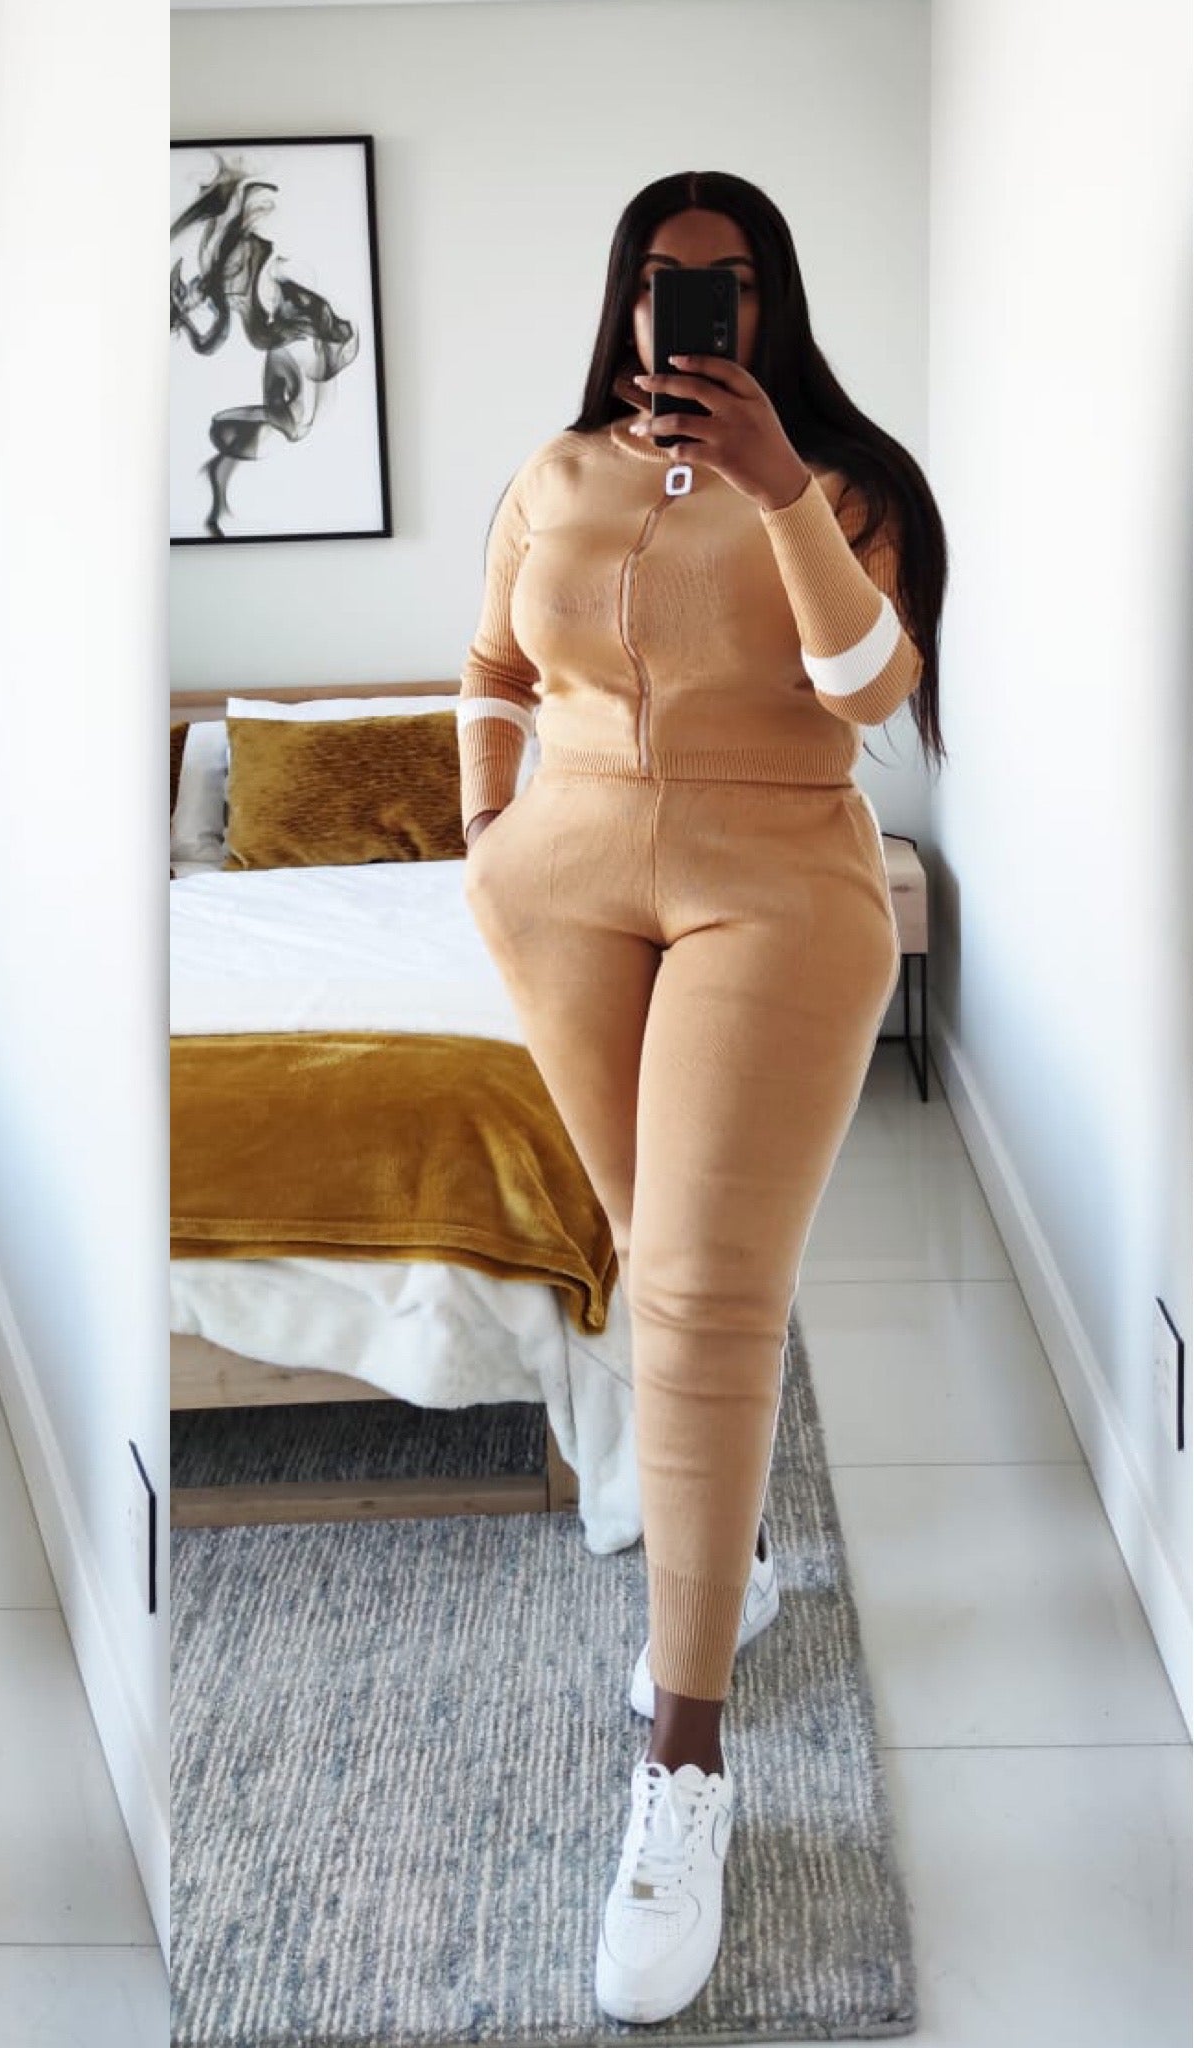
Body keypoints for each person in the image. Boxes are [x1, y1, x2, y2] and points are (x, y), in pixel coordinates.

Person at [458, 169, 947, 2026]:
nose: (691, 310)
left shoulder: (851, 486)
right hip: (561, 885)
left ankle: (684, 1760)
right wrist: (486, 825)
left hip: (776, 878)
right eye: (665, 283)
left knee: (706, 1290)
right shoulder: (556, 472)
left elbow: (870, 688)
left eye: (725, 282)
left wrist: (778, 489)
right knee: (656, 1253)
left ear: (772, 301)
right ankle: (717, 1548)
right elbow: (494, 662)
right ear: (628, 299)